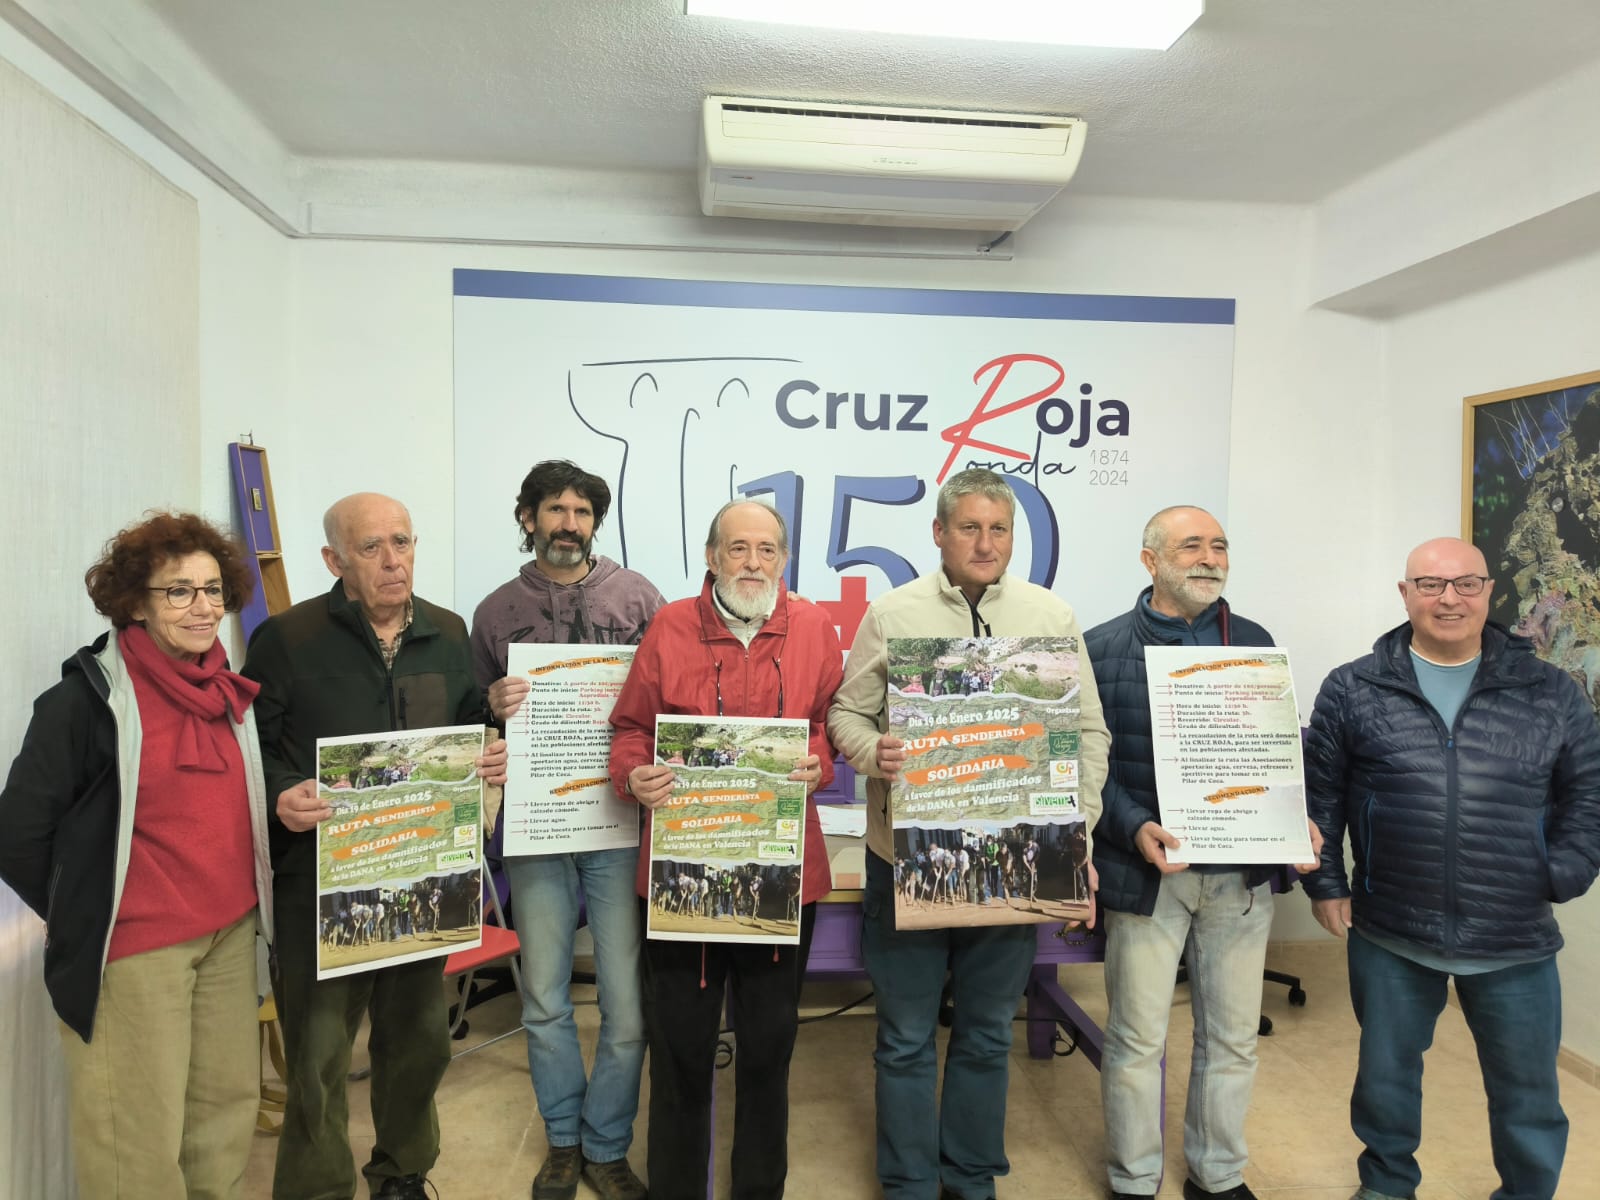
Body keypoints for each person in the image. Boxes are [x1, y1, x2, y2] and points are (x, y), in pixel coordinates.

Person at [827, 468, 1111, 1200]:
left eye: (999, 529)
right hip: (908, 860)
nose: (986, 543)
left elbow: (1086, 730)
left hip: (1020, 861)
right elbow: (846, 717)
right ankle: (909, 1181)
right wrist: (872, 752)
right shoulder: (894, 614)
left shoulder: (1051, 616)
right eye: (970, 528)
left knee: (987, 1034)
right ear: (939, 534)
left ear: (1013, 536)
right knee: (905, 1038)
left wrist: (1076, 831)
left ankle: (971, 1176)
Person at [1302, 537, 1600, 1200]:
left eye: (1466, 584)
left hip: (1514, 933)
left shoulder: (1550, 690)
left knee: (1527, 1092)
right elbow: (1318, 794)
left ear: (1490, 593)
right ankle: (1385, 1186)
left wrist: (1565, 871)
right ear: (1404, 594)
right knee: (1384, 1082)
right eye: (1431, 585)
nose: (1449, 599)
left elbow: (1589, 790)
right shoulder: (1353, 688)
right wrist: (1325, 882)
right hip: (1391, 927)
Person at [242, 493, 508, 1200]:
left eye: (402, 542)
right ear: (334, 560)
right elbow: (247, 750)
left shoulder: (449, 633)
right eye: (371, 548)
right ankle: (317, 1188)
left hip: (424, 875)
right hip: (321, 879)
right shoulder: (286, 639)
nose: (393, 561)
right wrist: (278, 792)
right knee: (320, 1053)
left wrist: (490, 748)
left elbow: (467, 726)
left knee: (419, 1041)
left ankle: (402, 1173)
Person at [0, 512, 272, 1198]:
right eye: (178, 591)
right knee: (135, 1148)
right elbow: (19, 834)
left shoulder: (227, 691)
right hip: (135, 950)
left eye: (213, 589)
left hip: (230, 936)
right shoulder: (84, 702)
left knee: (221, 1122)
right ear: (136, 604)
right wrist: (90, 912)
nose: (203, 606)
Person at [609, 498, 843, 1200]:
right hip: (684, 879)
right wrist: (634, 774)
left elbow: (830, 726)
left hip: (782, 878)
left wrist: (819, 764)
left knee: (769, 1057)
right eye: (737, 549)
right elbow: (629, 729)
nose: (752, 563)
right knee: (679, 1055)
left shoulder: (813, 629)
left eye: (767, 550)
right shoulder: (671, 625)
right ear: (711, 558)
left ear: (784, 559)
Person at [1086, 505, 1322, 1200]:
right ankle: (1133, 1179)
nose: (1209, 558)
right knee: (1135, 1041)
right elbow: (1084, 767)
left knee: (1232, 1038)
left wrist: (1291, 818)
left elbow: (1270, 754)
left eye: (1219, 546)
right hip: (1147, 874)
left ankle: (1217, 1175)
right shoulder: (1101, 649)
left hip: (1239, 876)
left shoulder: (1252, 642)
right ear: (1149, 559)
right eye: (1191, 546)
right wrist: (1132, 827)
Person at [469, 460, 663, 1200]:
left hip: (618, 825)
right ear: (528, 517)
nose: (569, 524)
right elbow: (476, 721)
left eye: (582, 511)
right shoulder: (493, 613)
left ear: (595, 522)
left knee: (625, 1001)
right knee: (546, 996)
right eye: (555, 510)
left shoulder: (639, 596)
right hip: (538, 827)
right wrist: (492, 703)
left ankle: (606, 1146)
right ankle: (561, 1140)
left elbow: (664, 702)